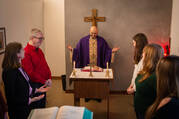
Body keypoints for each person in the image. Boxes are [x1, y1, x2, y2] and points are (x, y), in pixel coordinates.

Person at [2, 42, 49, 119]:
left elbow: (25, 85)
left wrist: (36, 90)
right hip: (19, 111)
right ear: (17, 54)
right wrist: (31, 100)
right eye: (22, 50)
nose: (24, 51)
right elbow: (11, 97)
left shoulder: (19, 67)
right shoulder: (9, 72)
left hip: (26, 105)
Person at [22, 28, 52, 108]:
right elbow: (30, 73)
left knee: (43, 107)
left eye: (42, 38)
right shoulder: (26, 52)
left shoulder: (39, 50)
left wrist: (49, 78)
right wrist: (44, 81)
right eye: (40, 38)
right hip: (35, 85)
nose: (41, 41)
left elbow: (45, 66)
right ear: (32, 38)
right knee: (36, 109)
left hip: (43, 83)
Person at [133, 44, 164, 119]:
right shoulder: (146, 70)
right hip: (139, 109)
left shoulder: (156, 76)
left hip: (148, 112)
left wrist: (152, 110)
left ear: (149, 56)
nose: (142, 54)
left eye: (144, 52)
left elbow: (162, 98)